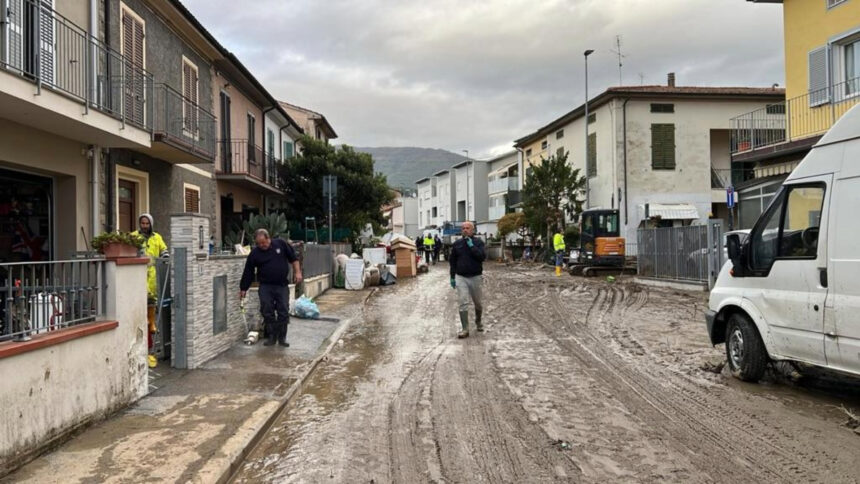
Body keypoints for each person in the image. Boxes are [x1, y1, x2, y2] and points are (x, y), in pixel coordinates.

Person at [239, 229, 303, 347]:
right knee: (267, 310)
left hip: (281, 285)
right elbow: (248, 272)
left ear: (269, 238)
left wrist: (297, 272)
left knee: (283, 310)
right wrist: (243, 288)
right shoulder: (255, 253)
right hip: (265, 286)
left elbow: (294, 259)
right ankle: (272, 337)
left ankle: (282, 338)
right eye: (259, 244)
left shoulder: (281, 244)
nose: (262, 245)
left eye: (264, 242)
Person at [132, 213, 168, 368]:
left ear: (151, 224)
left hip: (152, 272)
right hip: (139, 271)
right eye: (142, 223)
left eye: (147, 223)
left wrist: (165, 258)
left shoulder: (156, 237)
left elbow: (164, 250)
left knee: (152, 298)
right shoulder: (134, 236)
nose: (144, 225)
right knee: (141, 298)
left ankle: (152, 322)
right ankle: (143, 321)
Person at [449, 221, 486, 338]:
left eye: (467, 228)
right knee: (463, 303)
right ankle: (465, 328)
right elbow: (452, 262)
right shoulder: (457, 244)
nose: (465, 230)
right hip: (461, 277)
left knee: (478, 303)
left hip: (475, 277)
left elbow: (482, 257)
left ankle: (478, 321)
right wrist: (452, 277)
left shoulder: (478, 243)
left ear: (472, 230)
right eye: (463, 228)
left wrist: (472, 246)